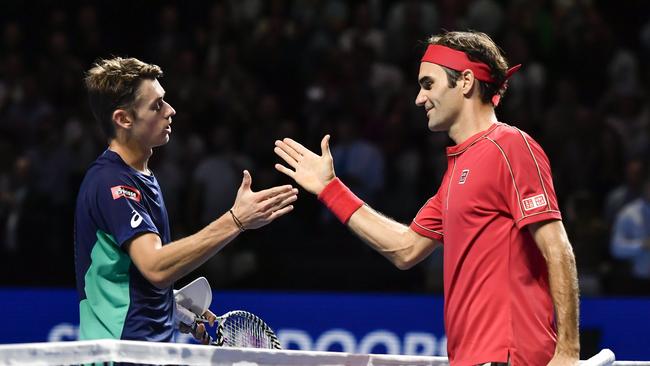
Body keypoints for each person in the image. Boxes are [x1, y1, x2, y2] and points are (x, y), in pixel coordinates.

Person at [274, 31, 579, 365]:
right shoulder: (456, 172)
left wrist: (567, 352)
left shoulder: (510, 146)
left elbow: (557, 247)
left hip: (510, 356)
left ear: (465, 82)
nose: (419, 99)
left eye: (428, 84)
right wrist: (331, 190)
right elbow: (405, 249)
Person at [74, 57, 298, 343]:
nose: (171, 111)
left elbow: (130, 276)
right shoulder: (111, 183)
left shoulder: (142, 178)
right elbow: (155, 267)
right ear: (123, 119)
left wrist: (171, 307)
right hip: (119, 356)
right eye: (156, 106)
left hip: (147, 354)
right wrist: (236, 221)